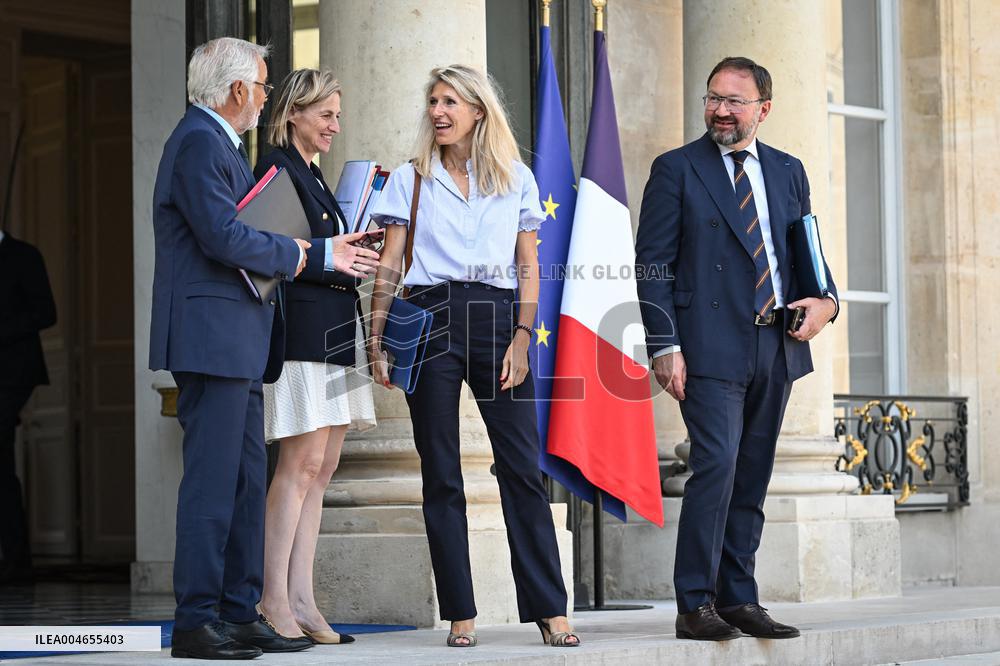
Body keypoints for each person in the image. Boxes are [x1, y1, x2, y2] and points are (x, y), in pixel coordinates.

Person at [149, 37, 375, 660]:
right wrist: (313, 253)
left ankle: (238, 610)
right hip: (211, 339)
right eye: (262, 85)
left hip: (241, 339)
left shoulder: (218, 143)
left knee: (247, 482)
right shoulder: (197, 140)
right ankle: (196, 620)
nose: (265, 96)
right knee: (213, 484)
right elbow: (224, 235)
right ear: (236, 90)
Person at [367, 64, 579, 649]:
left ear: (478, 111)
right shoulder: (410, 178)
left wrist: (521, 336)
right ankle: (460, 612)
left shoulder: (515, 178)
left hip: (494, 318)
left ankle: (549, 609)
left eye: (450, 102)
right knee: (441, 470)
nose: (438, 111)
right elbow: (390, 262)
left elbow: (528, 265)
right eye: (432, 100)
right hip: (428, 317)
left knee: (520, 468)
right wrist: (375, 335)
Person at [636, 57, 839, 641]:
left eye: (735, 101)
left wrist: (827, 301)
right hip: (705, 345)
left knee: (751, 472)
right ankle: (694, 602)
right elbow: (651, 264)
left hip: (774, 342)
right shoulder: (676, 169)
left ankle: (739, 597)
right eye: (713, 98)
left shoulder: (788, 170)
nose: (721, 110)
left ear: (763, 110)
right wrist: (664, 344)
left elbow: (808, 251)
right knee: (717, 465)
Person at [253, 68, 378, 645]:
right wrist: (336, 254)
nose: (334, 124)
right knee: (297, 467)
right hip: (302, 333)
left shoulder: (315, 174)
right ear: (293, 113)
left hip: (335, 331)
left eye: (336, 113)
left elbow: (325, 251)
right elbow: (277, 253)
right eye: (324, 114)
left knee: (323, 471)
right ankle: (272, 598)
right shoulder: (276, 166)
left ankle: (303, 598)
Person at [0, 231, 56, 585]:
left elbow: (46, 313)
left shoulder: (23, 255)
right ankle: (16, 559)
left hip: (13, 373)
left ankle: (18, 561)